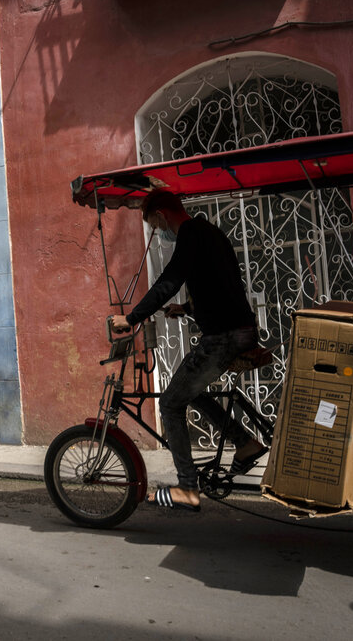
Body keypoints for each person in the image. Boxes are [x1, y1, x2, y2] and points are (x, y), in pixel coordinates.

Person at [110, 190, 264, 512]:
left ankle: (187, 488)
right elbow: (221, 286)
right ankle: (244, 443)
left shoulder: (190, 233)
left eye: (154, 224)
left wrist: (131, 317)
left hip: (224, 336)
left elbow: (169, 280)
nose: (158, 231)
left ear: (162, 215)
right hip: (239, 329)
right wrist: (187, 307)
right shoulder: (210, 232)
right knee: (187, 391)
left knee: (168, 402)